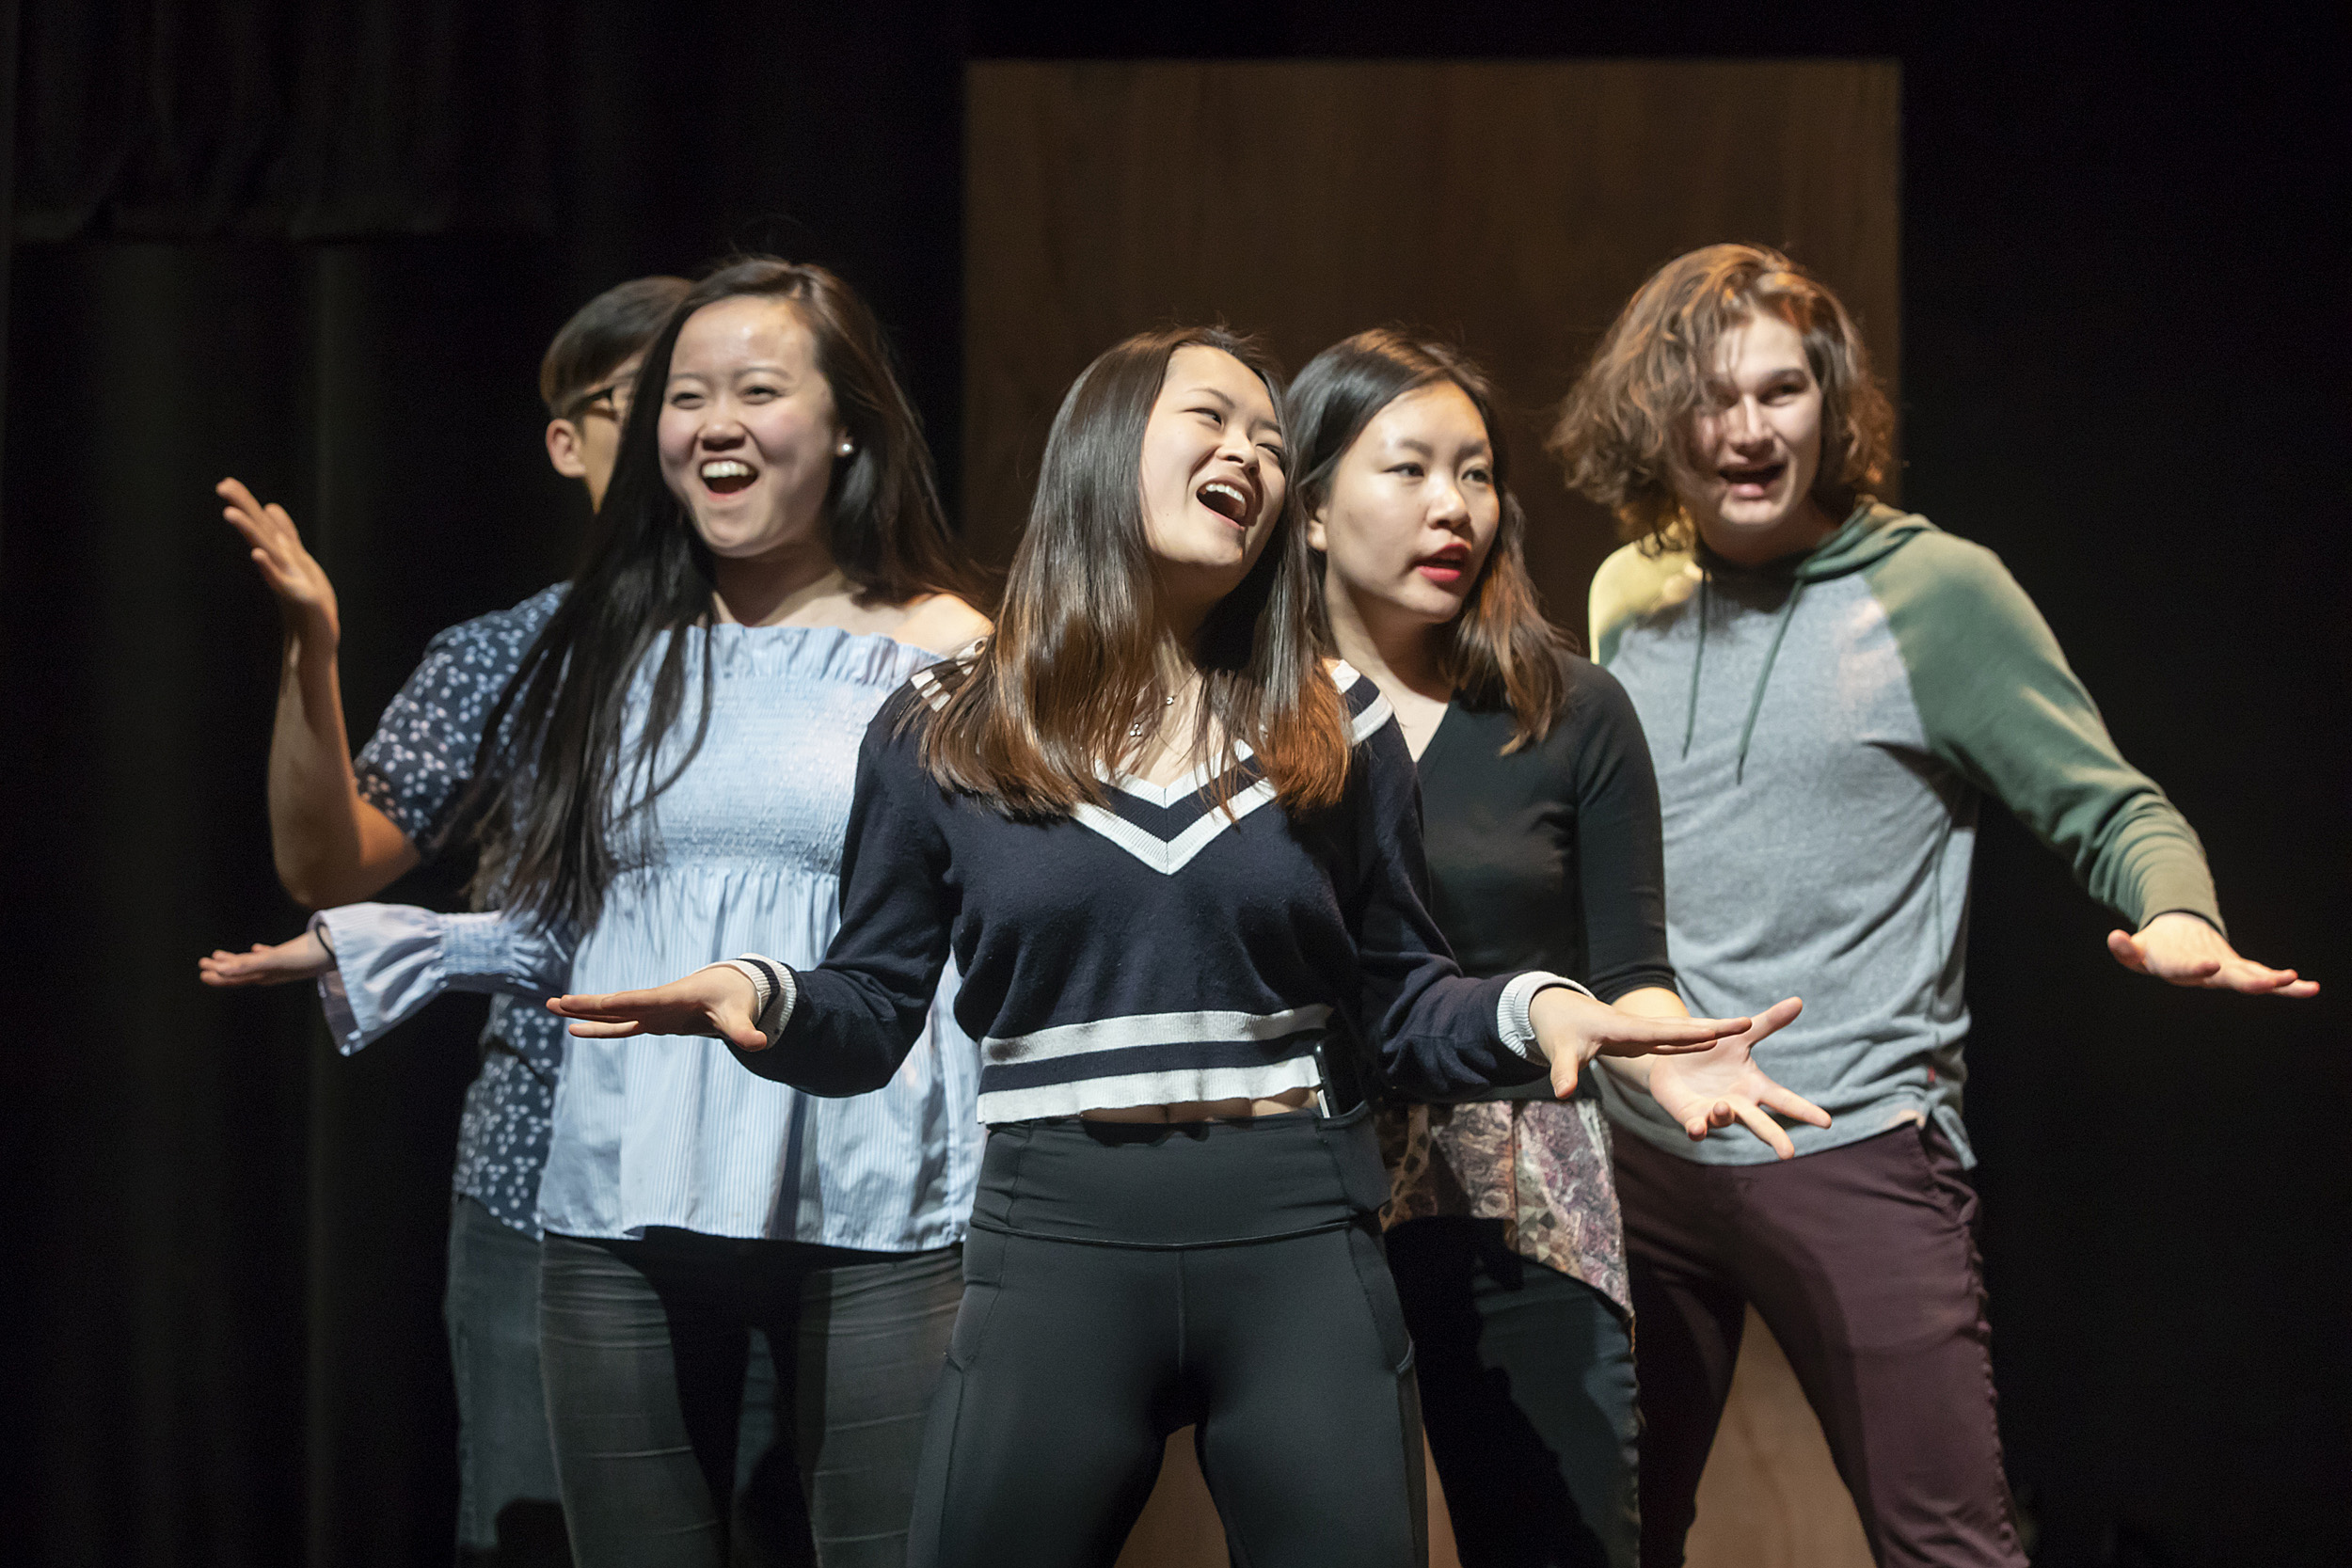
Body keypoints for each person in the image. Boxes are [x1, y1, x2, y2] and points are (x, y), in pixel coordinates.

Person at [543, 325, 1788, 1568]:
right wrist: (759, 995)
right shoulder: (949, 725)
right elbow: (872, 1007)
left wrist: (1542, 1011)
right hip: (1054, 1249)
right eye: (1211, 419)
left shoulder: (1335, 723)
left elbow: (1407, 1005)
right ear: (1100, 449)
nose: (1246, 451)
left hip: (1298, 1245)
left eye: (1266, 437)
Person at [204, 257, 993, 1568]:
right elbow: (594, 927)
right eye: (688, 397)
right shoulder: (598, 647)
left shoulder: (956, 650)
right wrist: (392, 941)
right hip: (629, 1178)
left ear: (849, 420)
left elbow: (983, 932)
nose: (715, 423)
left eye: (758, 389)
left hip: (871, 1186)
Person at [1549, 243, 2318, 1568]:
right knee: (1606, 1538)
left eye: (1780, 391)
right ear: (1651, 417)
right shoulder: (1633, 590)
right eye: (1710, 397)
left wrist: (2179, 915)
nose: (1745, 430)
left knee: (1947, 1547)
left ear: (1832, 407)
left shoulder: (1936, 594)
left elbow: (2114, 805)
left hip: (1852, 1140)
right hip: (1644, 1153)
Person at [1289, 329, 1825, 1568]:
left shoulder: (1568, 708)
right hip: (1307, 1192)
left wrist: (1663, 1053)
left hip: (1523, 1184)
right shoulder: (1242, 720)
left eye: (1476, 474)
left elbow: (1626, 965)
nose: (1452, 507)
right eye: (1410, 470)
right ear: (1309, 508)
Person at [211, 273, 687, 1566]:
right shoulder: (512, 654)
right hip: (540, 1179)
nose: (686, 433)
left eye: (719, 395)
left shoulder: (830, 650)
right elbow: (331, 862)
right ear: (569, 440)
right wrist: (315, 655)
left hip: (776, 1185)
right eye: (650, 400)